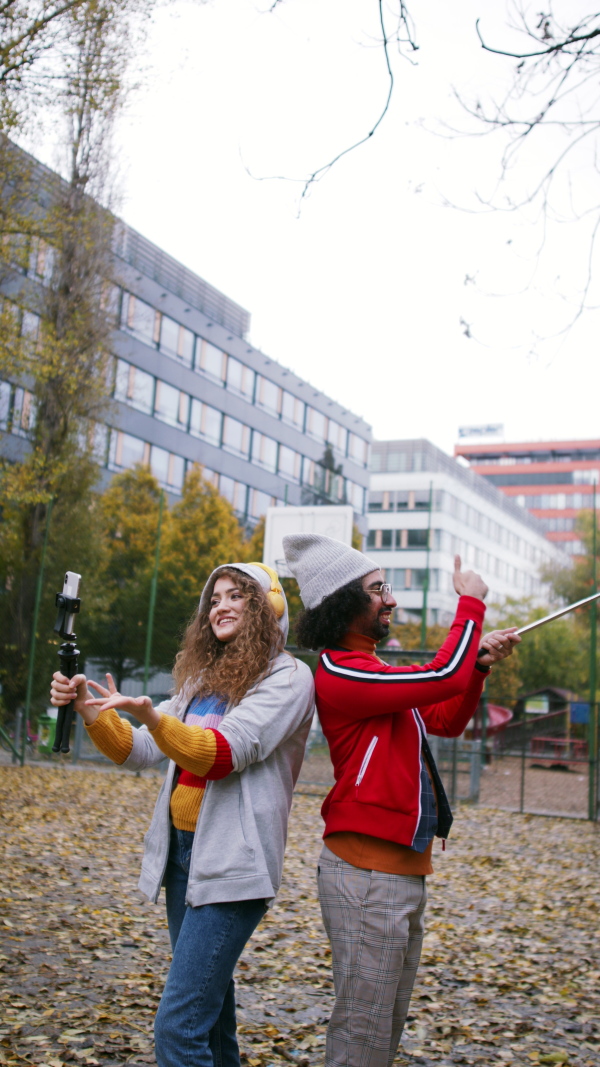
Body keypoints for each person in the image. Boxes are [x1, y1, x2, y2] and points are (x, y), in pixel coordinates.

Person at [50, 562, 315, 1067]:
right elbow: (143, 750)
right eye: (214, 599)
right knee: (210, 1021)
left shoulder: (289, 678)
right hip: (183, 856)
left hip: (235, 864)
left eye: (237, 595)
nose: (221, 606)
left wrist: (152, 715)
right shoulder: (203, 678)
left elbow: (224, 751)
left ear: (266, 608)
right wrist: (88, 709)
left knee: (178, 1026)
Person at [282, 534, 519, 1067]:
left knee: (382, 1030)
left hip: (400, 871)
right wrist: (471, 607)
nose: (390, 598)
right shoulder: (342, 671)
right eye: (377, 589)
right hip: (366, 873)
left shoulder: (377, 670)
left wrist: (476, 665)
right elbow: (441, 676)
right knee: (362, 1036)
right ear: (344, 601)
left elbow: (445, 717)